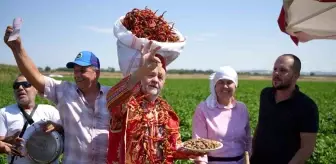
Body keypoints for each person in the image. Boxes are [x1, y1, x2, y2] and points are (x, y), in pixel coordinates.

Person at [4, 26, 111, 163]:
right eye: (75, 70)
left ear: (97, 73)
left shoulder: (112, 95)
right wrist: (17, 48)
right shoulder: (65, 91)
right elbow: (35, 77)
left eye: (82, 70)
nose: (77, 75)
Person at [106, 41, 204, 164]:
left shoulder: (166, 112)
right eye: (150, 75)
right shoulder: (127, 105)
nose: (155, 80)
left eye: (160, 77)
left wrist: (190, 150)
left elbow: (172, 149)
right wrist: (143, 69)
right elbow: (112, 99)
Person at [250, 54, 319, 164]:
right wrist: (251, 150)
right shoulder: (266, 94)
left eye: (283, 70)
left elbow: (307, 148)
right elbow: (261, 124)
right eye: (275, 69)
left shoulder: (307, 106)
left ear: (296, 75)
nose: (276, 73)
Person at [191, 66, 252, 164]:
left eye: (229, 82)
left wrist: (249, 156)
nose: (225, 86)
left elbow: (248, 139)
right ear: (215, 85)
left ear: (235, 85)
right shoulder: (203, 109)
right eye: (221, 82)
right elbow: (199, 145)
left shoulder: (242, 108)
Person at [0, 74, 61, 164]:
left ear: (36, 89)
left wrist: (57, 127)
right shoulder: (4, 113)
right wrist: (9, 141)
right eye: (16, 86)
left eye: (26, 84)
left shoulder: (50, 110)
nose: (20, 88)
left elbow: (69, 135)